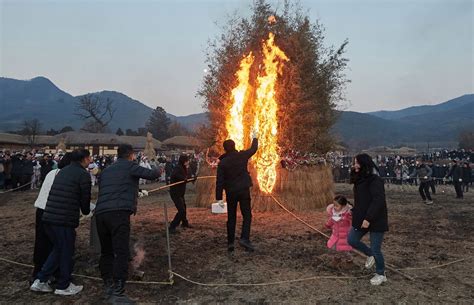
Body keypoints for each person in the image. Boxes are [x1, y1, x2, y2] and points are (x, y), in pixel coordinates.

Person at [94, 144, 161, 304]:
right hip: (119, 213)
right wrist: (155, 163)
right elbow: (153, 174)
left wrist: (133, 192)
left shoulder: (107, 170)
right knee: (121, 251)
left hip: (101, 213)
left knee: (106, 251)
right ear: (131, 155)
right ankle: (118, 292)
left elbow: (113, 188)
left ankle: (108, 284)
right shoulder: (131, 166)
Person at [30, 149, 92, 295]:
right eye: (89, 158)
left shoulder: (60, 172)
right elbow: (84, 200)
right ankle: (63, 285)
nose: (90, 160)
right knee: (66, 251)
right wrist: (87, 211)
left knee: (57, 248)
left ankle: (41, 280)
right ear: (83, 159)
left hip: (48, 215)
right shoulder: (83, 174)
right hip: (63, 218)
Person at [347, 153, 389, 286]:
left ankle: (381, 274)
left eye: (357, 163)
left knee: (376, 249)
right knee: (352, 239)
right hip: (361, 218)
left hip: (375, 219)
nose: (355, 165)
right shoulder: (360, 179)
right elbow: (361, 200)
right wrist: (353, 210)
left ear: (364, 164)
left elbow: (378, 201)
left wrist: (368, 218)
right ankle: (370, 254)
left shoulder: (375, 180)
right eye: (354, 163)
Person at [31, 153, 72, 282]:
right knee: (58, 244)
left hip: (41, 210)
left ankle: (38, 272)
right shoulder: (66, 176)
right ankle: (50, 273)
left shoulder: (52, 173)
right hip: (53, 211)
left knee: (42, 242)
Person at [215, 131, 258, 252]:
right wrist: (255, 138)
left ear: (225, 149)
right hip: (243, 191)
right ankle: (245, 238)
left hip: (231, 193)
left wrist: (219, 198)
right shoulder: (242, 156)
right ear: (234, 146)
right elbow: (253, 149)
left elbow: (219, 181)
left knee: (231, 217)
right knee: (247, 215)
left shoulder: (222, 163)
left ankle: (230, 243)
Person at [168, 155, 195, 233]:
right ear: (183, 161)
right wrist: (183, 178)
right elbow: (174, 175)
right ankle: (172, 227)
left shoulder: (184, 168)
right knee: (181, 210)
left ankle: (184, 223)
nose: (188, 162)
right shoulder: (178, 167)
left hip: (181, 192)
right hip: (175, 193)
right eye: (187, 160)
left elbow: (186, 179)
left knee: (184, 207)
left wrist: (192, 179)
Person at [325, 195, 352, 264]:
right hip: (336, 234)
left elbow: (351, 222)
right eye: (334, 205)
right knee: (333, 247)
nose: (334, 207)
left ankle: (349, 259)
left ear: (343, 206)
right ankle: (337, 258)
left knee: (343, 249)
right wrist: (328, 224)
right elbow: (332, 220)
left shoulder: (347, 214)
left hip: (344, 235)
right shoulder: (334, 213)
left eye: (336, 206)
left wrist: (346, 218)